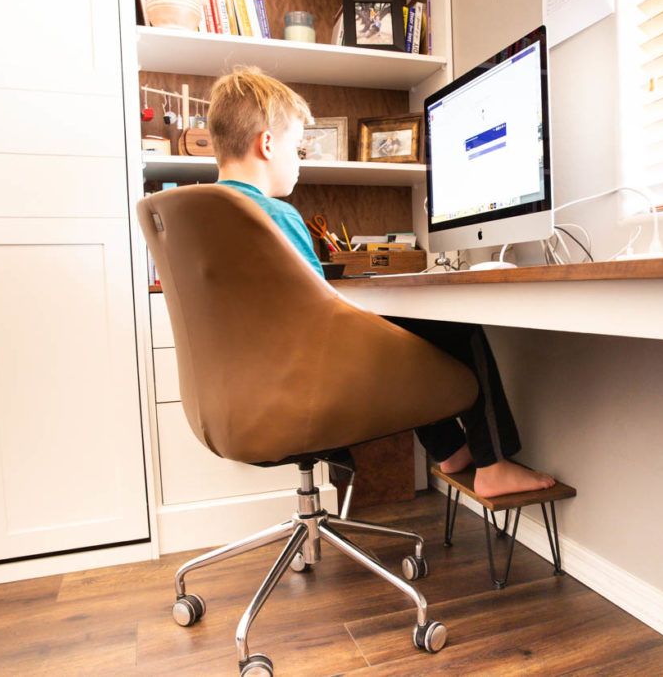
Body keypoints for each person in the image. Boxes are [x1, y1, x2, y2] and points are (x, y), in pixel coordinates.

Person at [206, 67, 554, 498]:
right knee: (456, 330)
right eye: (298, 148)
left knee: (408, 332)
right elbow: (321, 319)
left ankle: (449, 449)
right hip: (310, 387)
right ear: (268, 144)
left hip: (241, 399)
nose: (301, 159)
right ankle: (493, 464)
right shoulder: (273, 215)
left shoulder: (199, 219)